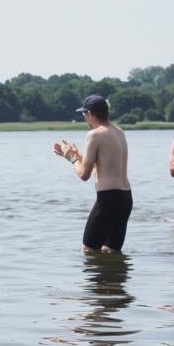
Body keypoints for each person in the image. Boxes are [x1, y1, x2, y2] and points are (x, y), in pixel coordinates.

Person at [53, 95, 133, 252]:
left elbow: (84, 174)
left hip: (108, 200)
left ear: (89, 113)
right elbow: (102, 164)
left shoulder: (94, 135)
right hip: (125, 199)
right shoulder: (119, 131)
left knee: (88, 250)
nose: (84, 118)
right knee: (111, 251)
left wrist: (71, 158)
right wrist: (77, 155)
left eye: (84, 114)